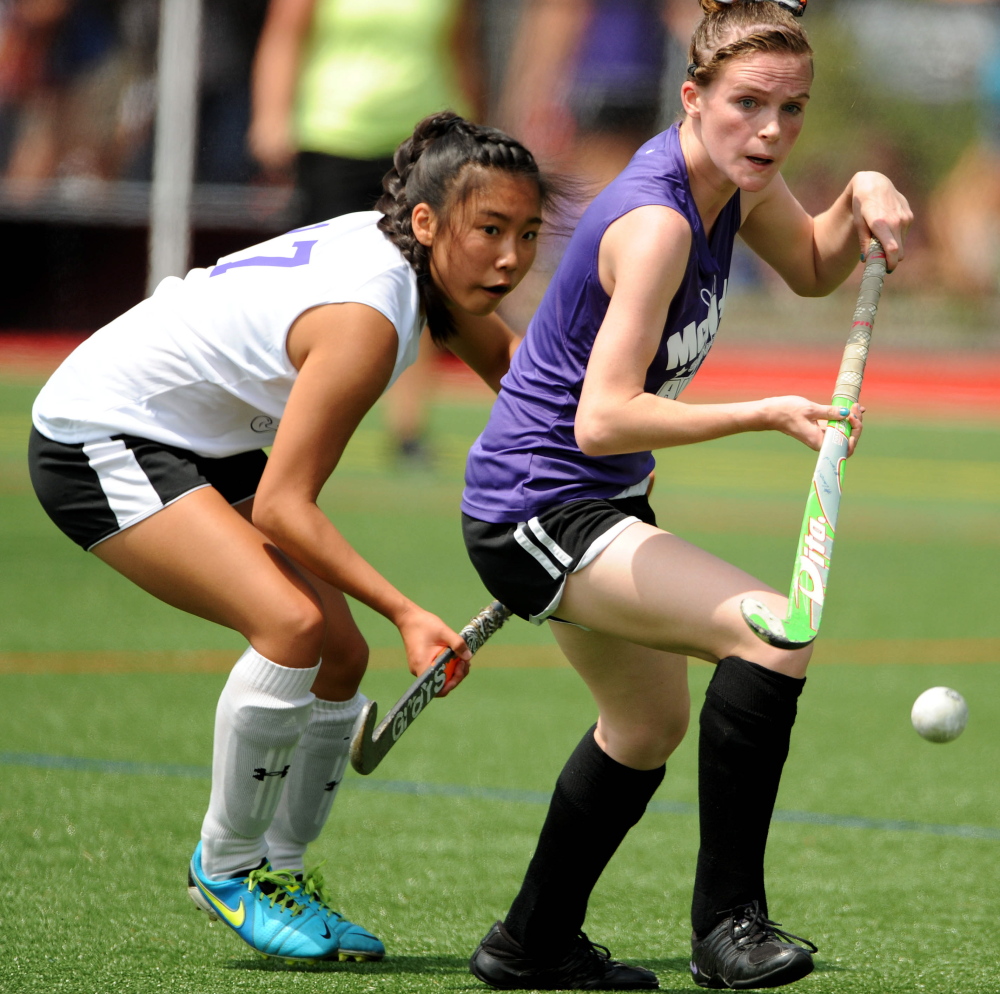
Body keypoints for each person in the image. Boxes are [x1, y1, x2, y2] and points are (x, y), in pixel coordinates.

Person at [27, 112, 553, 966]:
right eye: (490, 231)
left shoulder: (419, 265)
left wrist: (598, 463)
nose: (510, 257)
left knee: (337, 657)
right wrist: (406, 612)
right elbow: (283, 506)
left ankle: (283, 873)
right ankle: (227, 866)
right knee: (293, 626)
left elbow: (523, 383)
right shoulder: (368, 319)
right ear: (427, 224)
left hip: (203, 436)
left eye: (527, 234)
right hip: (101, 434)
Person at [460, 1, 912, 990]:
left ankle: (528, 942)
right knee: (772, 633)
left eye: (791, 110)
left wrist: (862, 191)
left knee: (644, 727)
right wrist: (763, 414)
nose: (771, 132)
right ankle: (728, 927)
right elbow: (602, 419)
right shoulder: (659, 221)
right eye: (748, 105)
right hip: (539, 506)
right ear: (692, 97)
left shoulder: (736, 183)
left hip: (594, 502)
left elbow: (812, 266)